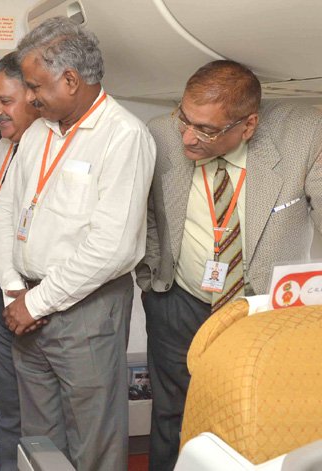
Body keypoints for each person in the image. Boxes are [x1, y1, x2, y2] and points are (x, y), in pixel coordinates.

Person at [135, 59, 322, 471]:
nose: (187, 136)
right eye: (185, 118)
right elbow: (147, 213)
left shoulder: (303, 136)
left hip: (260, 309)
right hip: (179, 300)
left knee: (254, 412)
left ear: (248, 125)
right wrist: (150, 278)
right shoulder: (160, 135)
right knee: (171, 413)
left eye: (206, 129)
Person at [0, 16, 156, 470]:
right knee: (39, 438)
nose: (29, 97)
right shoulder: (40, 130)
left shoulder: (123, 137)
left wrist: (36, 302)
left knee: (93, 439)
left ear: (70, 79)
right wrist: (11, 288)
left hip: (85, 311)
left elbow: (113, 247)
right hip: (26, 303)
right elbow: (4, 212)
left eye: (35, 86)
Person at [0, 51, 40, 471]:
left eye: (5, 100)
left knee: (35, 403)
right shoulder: (4, 146)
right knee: (8, 397)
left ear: (34, 95)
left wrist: (20, 293)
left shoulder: (47, 149)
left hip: (31, 295)